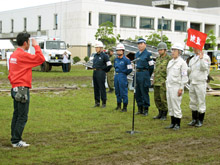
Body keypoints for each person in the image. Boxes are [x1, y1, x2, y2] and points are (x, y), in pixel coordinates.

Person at [8, 32, 45, 147]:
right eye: (29, 41)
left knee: (17, 114)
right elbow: (41, 59)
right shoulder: (22, 55)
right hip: (22, 88)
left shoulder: (14, 54)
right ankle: (16, 140)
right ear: (25, 43)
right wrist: (36, 46)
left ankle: (14, 138)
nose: (30, 43)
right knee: (22, 115)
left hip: (15, 87)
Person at [165, 43, 188, 130]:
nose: (172, 52)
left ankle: (177, 124)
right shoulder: (170, 62)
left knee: (176, 105)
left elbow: (184, 77)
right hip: (169, 86)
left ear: (179, 52)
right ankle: (172, 122)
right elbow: (168, 74)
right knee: (170, 105)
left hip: (176, 86)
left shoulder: (182, 63)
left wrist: (181, 88)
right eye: (172, 50)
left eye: (175, 50)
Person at [188, 48, 211, 127]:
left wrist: (201, 59)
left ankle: (200, 120)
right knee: (192, 101)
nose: (194, 49)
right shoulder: (192, 59)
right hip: (193, 82)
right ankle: (194, 119)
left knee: (201, 101)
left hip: (200, 82)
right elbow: (190, 70)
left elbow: (205, 68)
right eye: (193, 47)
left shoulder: (206, 57)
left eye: (196, 47)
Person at [135, 38, 154, 116]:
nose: (140, 45)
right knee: (138, 92)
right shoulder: (136, 54)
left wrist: (147, 75)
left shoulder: (148, 54)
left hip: (144, 73)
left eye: (141, 44)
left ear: (145, 45)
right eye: (138, 44)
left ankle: (146, 109)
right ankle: (140, 108)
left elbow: (151, 67)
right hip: (137, 74)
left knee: (144, 92)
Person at [153, 42, 171, 120]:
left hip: (163, 82)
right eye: (159, 50)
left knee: (163, 98)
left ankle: (164, 113)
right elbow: (156, 70)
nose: (159, 51)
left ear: (165, 50)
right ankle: (160, 112)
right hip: (157, 81)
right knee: (157, 98)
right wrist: (153, 79)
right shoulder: (158, 58)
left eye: (161, 50)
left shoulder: (169, 59)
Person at [92, 41, 112, 108]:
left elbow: (109, 65)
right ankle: (97, 102)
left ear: (101, 48)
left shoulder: (105, 56)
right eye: (95, 47)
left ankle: (104, 102)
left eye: (97, 47)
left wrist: (105, 70)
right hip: (95, 72)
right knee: (96, 87)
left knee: (102, 87)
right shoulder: (95, 55)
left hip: (101, 72)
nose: (96, 49)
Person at [114, 43, 132, 112]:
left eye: (119, 50)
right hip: (116, 75)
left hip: (122, 76)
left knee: (123, 92)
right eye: (117, 50)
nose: (118, 52)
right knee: (117, 91)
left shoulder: (126, 60)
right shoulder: (116, 59)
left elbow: (130, 69)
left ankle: (125, 107)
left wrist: (124, 74)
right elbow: (115, 67)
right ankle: (118, 105)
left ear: (122, 51)